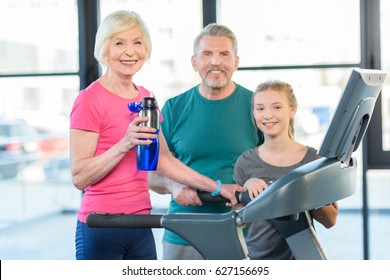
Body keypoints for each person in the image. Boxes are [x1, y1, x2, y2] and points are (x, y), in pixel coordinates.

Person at [69, 10, 242, 260]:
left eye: (137, 42)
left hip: (141, 224)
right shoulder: (89, 100)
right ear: (105, 49)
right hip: (101, 225)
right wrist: (125, 143)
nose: (130, 51)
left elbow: (165, 161)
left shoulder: (146, 97)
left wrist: (217, 187)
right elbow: (80, 176)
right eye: (119, 43)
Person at [148, 23, 263, 260]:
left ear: (236, 61)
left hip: (242, 230)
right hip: (184, 231)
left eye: (224, 54)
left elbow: (274, 164)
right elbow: (152, 174)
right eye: (207, 54)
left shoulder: (256, 106)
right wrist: (173, 186)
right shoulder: (173, 108)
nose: (215, 62)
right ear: (194, 62)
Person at [233, 80, 339, 260]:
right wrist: (247, 187)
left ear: (292, 110)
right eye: (260, 109)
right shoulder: (246, 162)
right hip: (258, 261)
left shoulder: (313, 160)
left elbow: (330, 220)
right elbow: (238, 222)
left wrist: (304, 193)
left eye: (276, 107)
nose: (267, 115)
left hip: (301, 259)